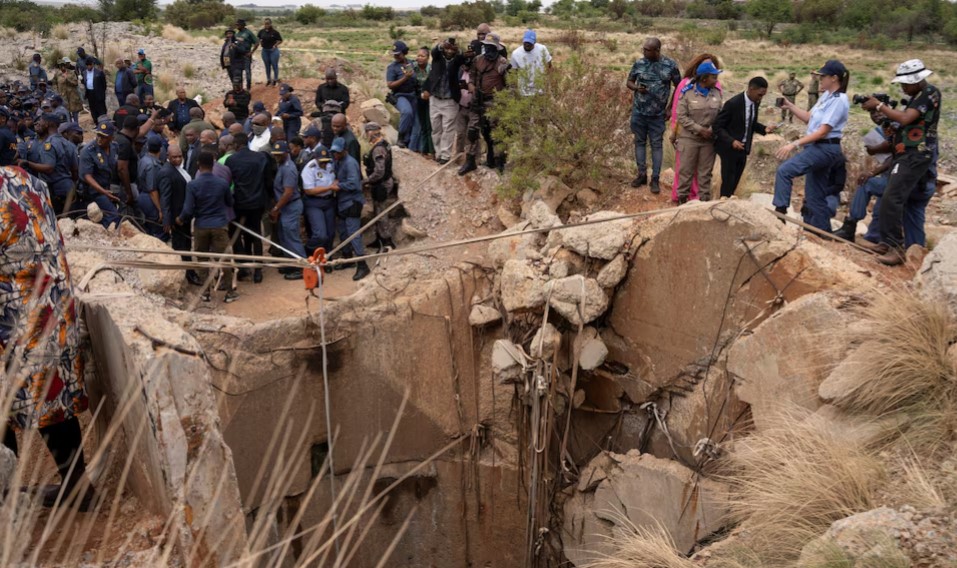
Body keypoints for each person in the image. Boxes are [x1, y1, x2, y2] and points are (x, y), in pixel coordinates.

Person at [1, 161, 95, 512]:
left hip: (15, 318)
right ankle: (76, 487)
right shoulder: (26, 179)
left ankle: (6, 500)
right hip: (50, 309)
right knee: (52, 403)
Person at [859, 59, 941, 265]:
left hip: (917, 154)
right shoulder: (916, 97)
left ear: (917, 79)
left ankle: (895, 247)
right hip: (906, 154)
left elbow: (905, 120)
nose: (903, 88)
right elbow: (898, 132)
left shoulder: (929, 93)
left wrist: (879, 105)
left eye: (905, 83)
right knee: (892, 198)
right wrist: (881, 117)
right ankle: (887, 242)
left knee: (892, 198)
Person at [772, 60, 850, 232]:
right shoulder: (827, 96)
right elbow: (809, 118)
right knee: (815, 197)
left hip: (824, 148)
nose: (819, 79)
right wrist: (790, 106)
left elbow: (823, 131)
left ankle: (780, 215)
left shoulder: (839, 99)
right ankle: (824, 234)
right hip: (818, 147)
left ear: (834, 78)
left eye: (823, 76)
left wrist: (794, 143)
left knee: (785, 171)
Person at [177, 151, 238, 302]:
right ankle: (230, 292)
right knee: (224, 259)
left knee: (202, 259)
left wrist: (180, 219)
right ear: (213, 164)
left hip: (201, 226)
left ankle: (206, 293)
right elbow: (230, 203)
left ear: (198, 164)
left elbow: (188, 209)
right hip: (220, 226)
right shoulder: (222, 183)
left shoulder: (193, 185)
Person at [627, 37, 681, 192]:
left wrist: (670, 108)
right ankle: (641, 175)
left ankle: (655, 179)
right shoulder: (639, 63)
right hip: (639, 111)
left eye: (647, 50)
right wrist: (637, 88)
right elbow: (629, 82)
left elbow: (679, 87)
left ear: (657, 50)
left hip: (658, 114)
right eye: (643, 49)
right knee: (639, 142)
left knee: (656, 145)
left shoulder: (670, 65)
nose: (644, 52)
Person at [833, 112, 895, 243]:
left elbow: (894, 156)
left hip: (902, 180)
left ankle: (850, 225)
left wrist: (872, 172)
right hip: (901, 178)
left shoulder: (904, 130)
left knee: (866, 183)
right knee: (882, 208)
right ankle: (876, 238)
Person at [669, 53, 721, 201]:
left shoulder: (717, 93)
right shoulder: (687, 92)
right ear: (704, 78)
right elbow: (681, 116)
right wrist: (699, 130)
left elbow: (720, 114)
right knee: (685, 172)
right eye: (713, 76)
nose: (716, 79)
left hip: (708, 141)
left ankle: (704, 202)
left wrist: (712, 129)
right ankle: (682, 201)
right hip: (689, 139)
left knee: (705, 173)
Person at [713, 76, 776, 198]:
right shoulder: (733, 104)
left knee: (735, 182)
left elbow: (750, 123)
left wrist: (764, 129)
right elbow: (718, 126)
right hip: (729, 149)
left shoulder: (755, 103)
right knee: (727, 182)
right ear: (751, 89)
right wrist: (731, 141)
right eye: (759, 94)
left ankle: (729, 204)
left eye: (763, 95)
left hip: (743, 148)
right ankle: (722, 206)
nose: (761, 98)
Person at [226, 131, 269, 283]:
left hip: (239, 203)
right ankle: (258, 270)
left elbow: (229, 182)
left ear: (236, 145)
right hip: (257, 203)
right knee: (256, 235)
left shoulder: (231, 160)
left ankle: (243, 267)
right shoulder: (260, 158)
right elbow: (266, 179)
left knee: (236, 233)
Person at [463, 33, 509, 174]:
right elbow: (472, 77)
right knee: (472, 131)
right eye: (486, 47)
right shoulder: (478, 60)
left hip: (494, 102)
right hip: (478, 101)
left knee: (496, 134)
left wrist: (504, 101)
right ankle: (470, 161)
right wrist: (471, 86)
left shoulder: (502, 63)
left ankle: (499, 161)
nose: (489, 50)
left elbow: (510, 85)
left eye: (492, 47)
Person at [331, 136, 369, 281]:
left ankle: (362, 264)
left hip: (352, 202)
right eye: (334, 152)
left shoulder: (350, 163)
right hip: (343, 202)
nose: (335, 154)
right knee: (343, 231)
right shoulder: (339, 161)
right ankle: (347, 258)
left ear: (345, 150)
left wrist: (338, 185)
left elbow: (354, 184)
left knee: (353, 233)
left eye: (338, 152)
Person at [268, 140, 306, 279]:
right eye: (275, 154)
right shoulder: (281, 165)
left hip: (290, 205)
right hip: (285, 207)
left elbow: (288, 192)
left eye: (279, 154)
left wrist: (276, 208)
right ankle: (291, 263)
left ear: (286, 153)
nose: (277, 157)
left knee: (292, 237)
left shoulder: (289, 168)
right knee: (284, 236)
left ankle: (302, 267)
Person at [424, 39, 463, 165]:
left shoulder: (457, 61)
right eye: (447, 48)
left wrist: (459, 50)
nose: (449, 51)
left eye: (452, 49)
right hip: (435, 98)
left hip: (450, 100)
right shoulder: (437, 58)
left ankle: (445, 156)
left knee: (448, 129)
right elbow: (434, 51)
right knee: (436, 129)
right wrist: (441, 45)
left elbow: (463, 57)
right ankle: (438, 153)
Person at [363, 121, 398, 252]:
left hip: (381, 184)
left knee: (381, 213)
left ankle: (387, 242)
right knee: (378, 211)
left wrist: (367, 181)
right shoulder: (384, 144)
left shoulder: (378, 148)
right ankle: (379, 239)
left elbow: (379, 171)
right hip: (381, 182)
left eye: (367, 132)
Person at [79, 119, 120, 227]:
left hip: (108, 187)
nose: (99, 139)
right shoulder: (88, 151)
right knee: (113, 216)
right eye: (98, 135)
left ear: (111, 137)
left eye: (104, 136)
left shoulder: (114, 147)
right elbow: (87, 176)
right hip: (94, 191)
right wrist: (104, 192)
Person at [302, 146, 337, 252]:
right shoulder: (310, 168)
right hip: (314, 202)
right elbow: (309, 190)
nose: (324, 164)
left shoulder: (330, 165)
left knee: (331, 234)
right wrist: (330, 187)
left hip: (329, 201)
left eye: (326, 161)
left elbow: (334, 178)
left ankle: (327, 257)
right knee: (320, 235)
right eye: (322, 161)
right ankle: (308, 250)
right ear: (316, 158)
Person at [386, 40, 418, 149]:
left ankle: (410, 143)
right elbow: (390, 84)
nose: (396, 57)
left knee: (413, 120)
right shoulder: (392, 67)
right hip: (400, 95)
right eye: (394, 55)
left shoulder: (411, 63)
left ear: (404, 52)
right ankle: (401, 137)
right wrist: (405, 78)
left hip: (413, 95)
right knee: (407, 112)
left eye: (398, 54)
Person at [455, 41, 478, 168]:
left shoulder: (478, 72)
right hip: (462, 106)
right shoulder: (460, 70)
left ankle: (475, 159)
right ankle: (458, 157)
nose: (466, 64)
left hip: (473, 107)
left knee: (473, 136)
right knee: (460, 134)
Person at [509, 29, 552, 97]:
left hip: (540, 91)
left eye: (530, 43)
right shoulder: (516, 53)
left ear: (535, 42)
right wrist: (514, 90)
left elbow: (549, 65)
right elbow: (513, 73)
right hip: (524, 92)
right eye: (526, 42)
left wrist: (548, 83)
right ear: (523, 41)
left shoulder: (542, 49)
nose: (527, 45)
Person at [137, 137, 165, 238]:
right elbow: (152, 190)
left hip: (142, 196)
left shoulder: (143, 159)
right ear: (160, 149)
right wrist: (160, 209)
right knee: (158, 231)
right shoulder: (153, 165)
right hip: (151, 200)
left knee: (148, 229)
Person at [412, 47, 434, 155]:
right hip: (418, 98)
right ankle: (424, 150)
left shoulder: (431, 69)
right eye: (418, 55)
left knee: (430, 125)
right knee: (422, 125)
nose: (419, 58)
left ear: (428, 57)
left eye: (422, 56)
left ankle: (432, 150)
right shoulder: (413, 67)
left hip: (429, 98)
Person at [53, 58, 82, 123]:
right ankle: (69, 128)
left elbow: (75, 83)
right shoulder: (57, 74)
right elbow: (54, 83)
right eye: (60, 65)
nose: (62, 67)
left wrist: (68, 80)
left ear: (65, 65)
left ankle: (76, 127)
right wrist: (56, 91)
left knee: (75, 113)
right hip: (63, 97)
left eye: (63, 65)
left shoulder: (71, 73)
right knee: (66, 113)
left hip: (72, 96)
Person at [235, 19, 258, 90]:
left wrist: (251, 52)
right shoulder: (237, 33)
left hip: (246, 55)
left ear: (242, 25)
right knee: (239, 73)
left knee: (247, 72)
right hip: (238, 56)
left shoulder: (248, 33)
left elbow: (257, 42)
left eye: (238, 25)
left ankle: (248, 88)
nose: (237, 26)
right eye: (236, 25)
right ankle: (241, 88)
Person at [258, 18, 283, 86]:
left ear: (271, 24)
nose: (267, 25)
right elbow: (258, 38)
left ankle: (275, 79)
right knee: (267, 66)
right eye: (265, 23)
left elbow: (280, 40)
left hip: (273, 51)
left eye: (268, 23)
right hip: (265, 50)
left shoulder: (275, 32)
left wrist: (275, 45)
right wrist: (260, 42)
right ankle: (268, 79)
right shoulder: (261, 31)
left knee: (274, 65)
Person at [83, 57, 108, 122]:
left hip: (98, 93)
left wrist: (102, 93)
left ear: (93, 64)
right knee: (93, 109)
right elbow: (84, 82)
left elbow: (104, 84)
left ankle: (104, 123)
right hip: (90, 93)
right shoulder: (84, 73)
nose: (89, 67)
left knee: (101, 108)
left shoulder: (99, 72)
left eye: (90, 65)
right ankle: (96, 123)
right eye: (87, 65)